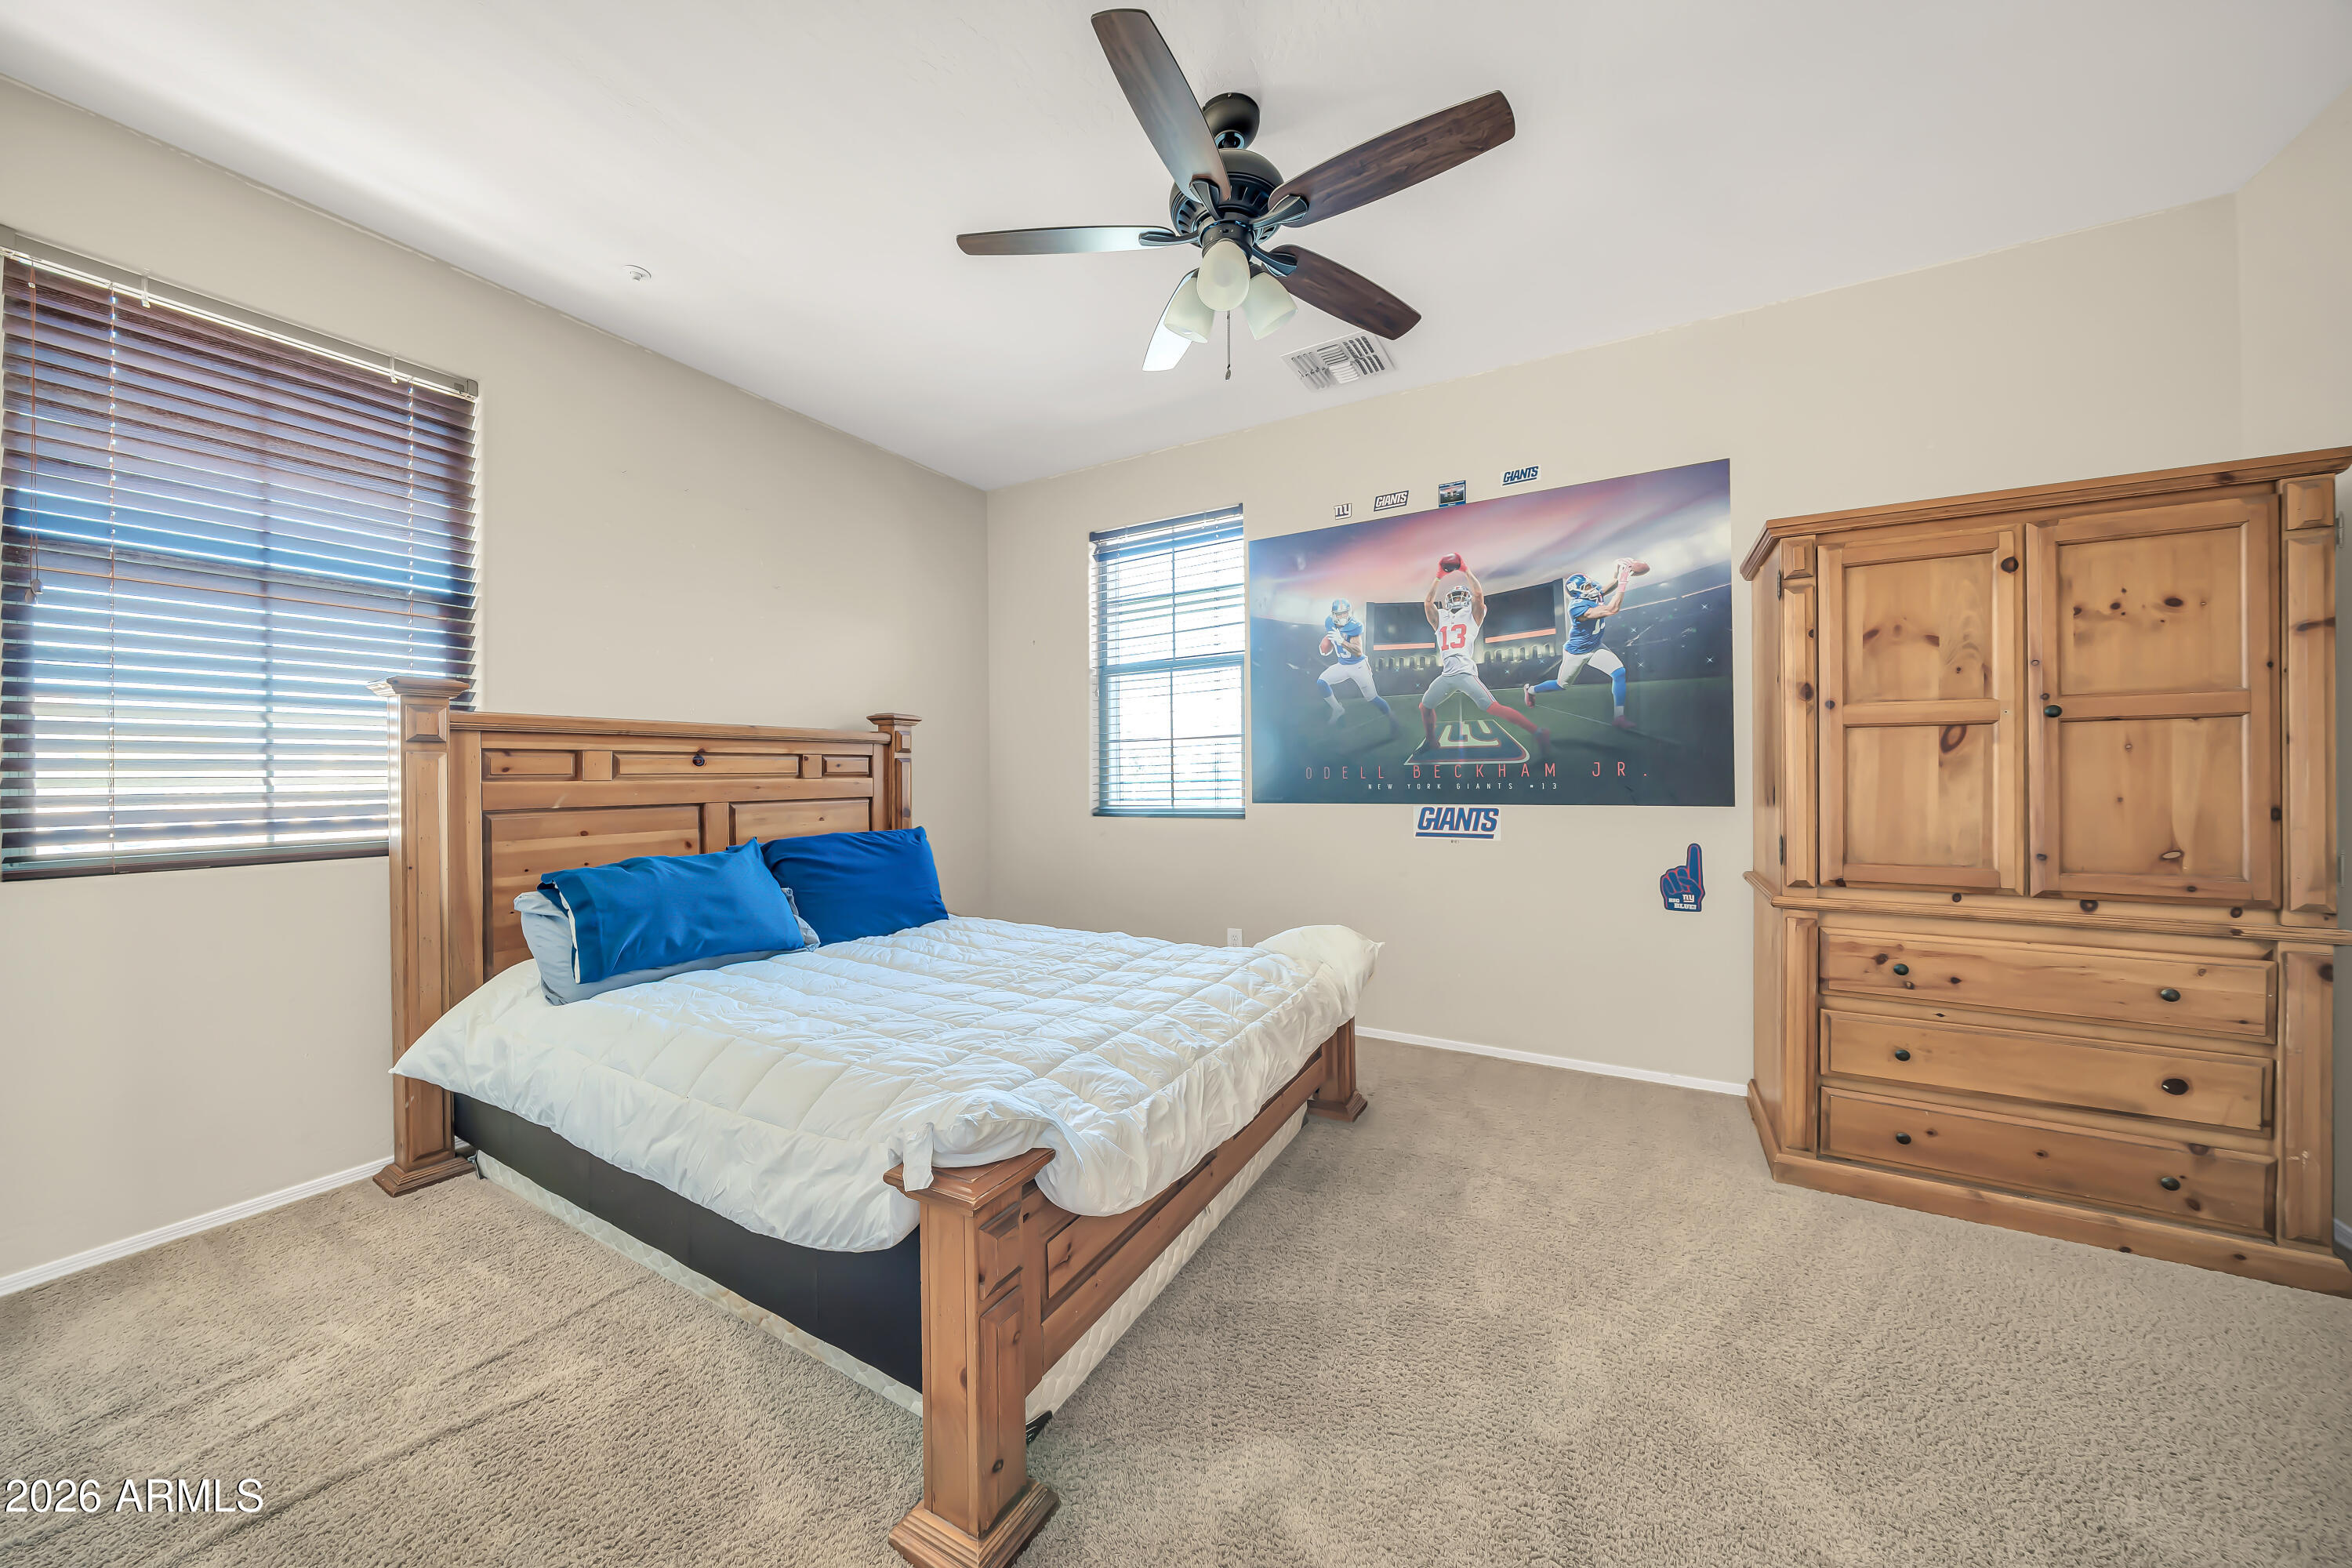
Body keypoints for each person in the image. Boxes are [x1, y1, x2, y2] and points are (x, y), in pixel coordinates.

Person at [1418, 555, 1547, 756]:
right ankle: (1432, 741)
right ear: (1447, 602)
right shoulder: (1441, 618)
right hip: (1447, 675)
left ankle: (1538, 732)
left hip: (1465, 673)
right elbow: (1427, 603)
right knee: (1425, 707)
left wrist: (1466, 570)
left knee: (1494, 707)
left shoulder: (1473, 616)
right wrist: (1438, 576)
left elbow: (1478, 594)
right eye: (1454, 597)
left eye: (1462, 597)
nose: (1458, 600)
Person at [1526, 561, 1635, 728]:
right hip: (1577, 652)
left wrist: (1619, 572)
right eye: (1587, 587)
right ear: (1577, 593)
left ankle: (1619, 718)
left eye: (1590, 584)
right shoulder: (1577, 607)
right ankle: (1531, 690)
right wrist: (1623, 583)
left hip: (1596, 646)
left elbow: (1609, 585)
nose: (1592, 588)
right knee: (1561, 685)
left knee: (1619, 673)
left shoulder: (1591, 593)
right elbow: (1612, 609)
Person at [1316, 597, 1395, 731]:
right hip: (1342, 665)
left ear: (1349, 613)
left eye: (1344, 613)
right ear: (1333, 614)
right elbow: (1329, 641)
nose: (1342, 617)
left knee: (1373, 698)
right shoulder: (1329, 622)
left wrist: (1341, 641)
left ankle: (1392, 720)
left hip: (1358, 666)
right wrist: (1326, 644)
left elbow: (1358, 652)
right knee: (1321, 682)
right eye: (1339, 614)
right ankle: (1338, 709)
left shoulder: (1355, 625)